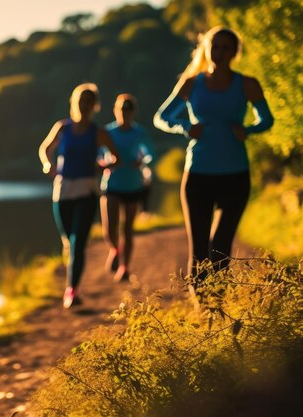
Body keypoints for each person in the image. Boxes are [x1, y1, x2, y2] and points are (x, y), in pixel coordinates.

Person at [153, 26, 274, 285]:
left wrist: (248, 130)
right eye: (215, 46)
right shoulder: (191, 84)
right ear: (206, 49)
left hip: (235, 176)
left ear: (235, 53)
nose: (219, 52)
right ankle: (203, 311)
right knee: (198, 251)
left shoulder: (247, 84)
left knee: (220, 248)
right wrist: (186, 127)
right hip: (198, 175)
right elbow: (162, 117)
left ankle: (218, 310)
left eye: (225, 48)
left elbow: (267, 119)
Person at [39, 82, 119, 308]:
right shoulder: (62, 128)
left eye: (89, 101)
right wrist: (48, 165)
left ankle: (71, 291)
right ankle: (71, 285)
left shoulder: (99, 132)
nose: (84, 105)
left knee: (78, 242)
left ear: (95, 105)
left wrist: (103, 166)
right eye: (81, 101)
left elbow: (116, 158)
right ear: (74, 103)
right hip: (63, 191)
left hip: (87, 190)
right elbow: (45, 149)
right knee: (67, 240)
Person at [99, 94, 153, 282]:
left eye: (128, 111)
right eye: (122, 110)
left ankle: (125, 267)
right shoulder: (107, 132)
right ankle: (115, 249)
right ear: (116, 111)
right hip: (112, 184)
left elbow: (149, 153)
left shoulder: (139, 132)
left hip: (133, 185)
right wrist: (103, 163)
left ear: (133, 112)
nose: (125, 114)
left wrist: (142, 160)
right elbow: (98, 155)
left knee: (127, 229)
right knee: (109, 230)